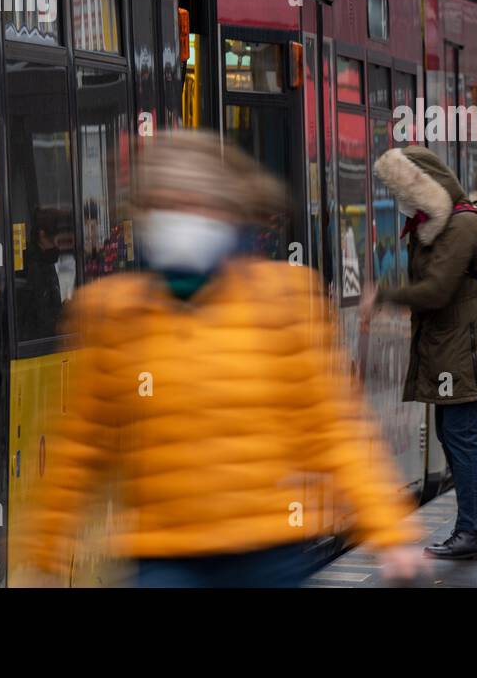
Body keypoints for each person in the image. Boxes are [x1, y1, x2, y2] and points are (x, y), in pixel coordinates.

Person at [21, 131, 423, 587]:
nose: (181, 216)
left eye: (194, 201)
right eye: (164, 202)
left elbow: (333, 427)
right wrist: (44, 554)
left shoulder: (284, 299)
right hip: (163, 557)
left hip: (267, 553)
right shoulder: (112, 312)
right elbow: (81, 446)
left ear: (227, 210)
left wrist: (390, 532)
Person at [361, 145, 477, 560]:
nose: (402, 199)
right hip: (454, 347)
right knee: (453, 434)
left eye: (407, 188)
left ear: (428, 186)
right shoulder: (433, 224)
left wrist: (383, 296)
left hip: (467, 350)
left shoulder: (461, 225)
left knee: (460, 436)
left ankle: (472, 529)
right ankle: (476, 522)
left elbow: (436, 290)